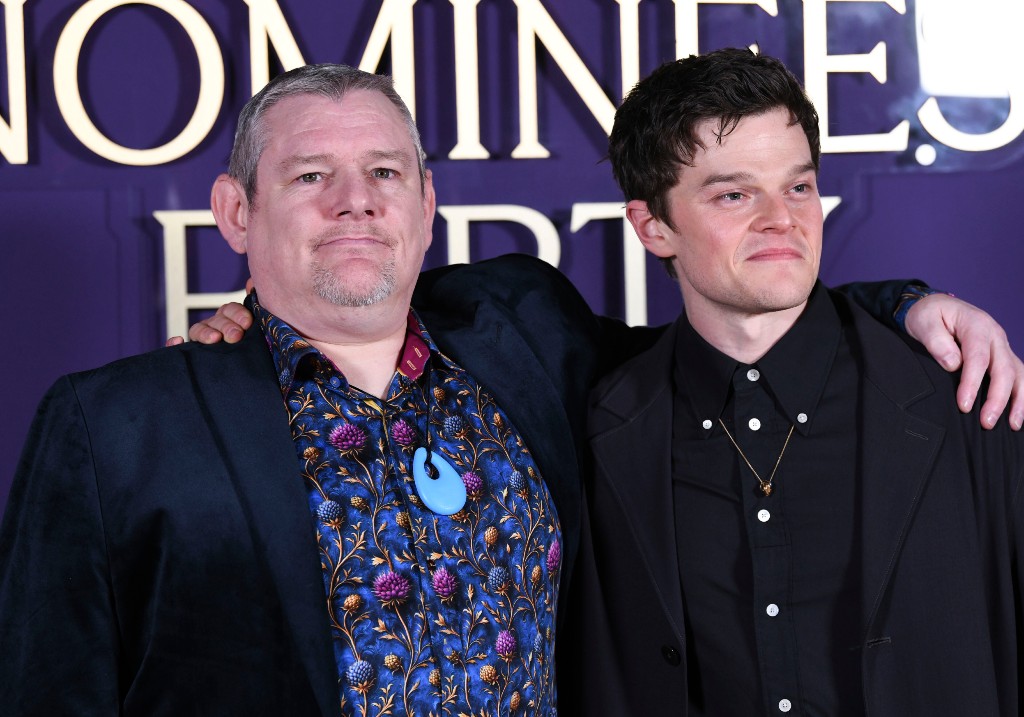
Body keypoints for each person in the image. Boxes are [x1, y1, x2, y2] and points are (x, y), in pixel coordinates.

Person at [0, 63, 1019, 716]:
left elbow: (731, 321)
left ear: (428, 203)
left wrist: (900, 306)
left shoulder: (525, 338)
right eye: (312, 177)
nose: (356, 201)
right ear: (233, 211)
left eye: (386, 174)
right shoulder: (117, 425)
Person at [574, 47, 1024, 715]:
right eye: (734, 193)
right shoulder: (603, 428)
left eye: (799, 186)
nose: (780, 217)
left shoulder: (967, 394)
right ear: (653, 226)